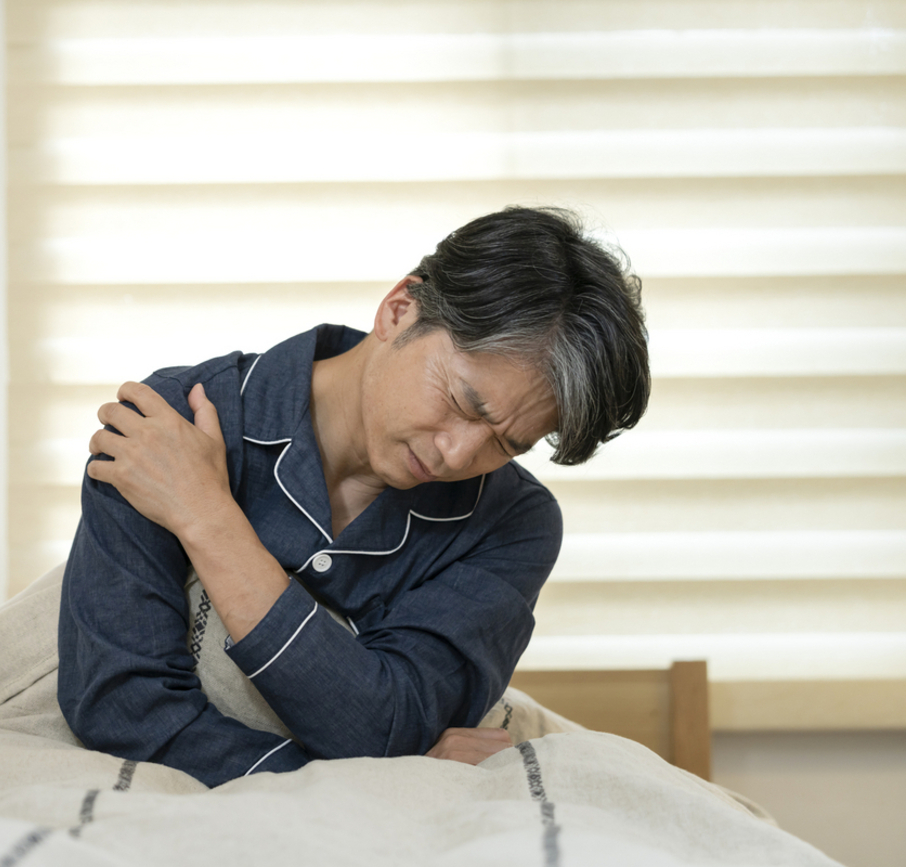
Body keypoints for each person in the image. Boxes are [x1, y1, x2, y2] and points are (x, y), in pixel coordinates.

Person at [57, 206, 650, 788]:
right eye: (464, 403)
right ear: (400, 310)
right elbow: (121, 707)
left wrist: (208, 520)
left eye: (505, 444)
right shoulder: (171, 425)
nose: (457, 455)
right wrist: (384, 780)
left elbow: (389, 725)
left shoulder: (515, 521)